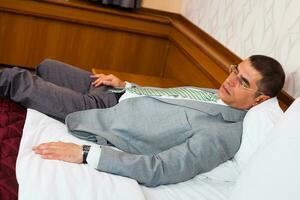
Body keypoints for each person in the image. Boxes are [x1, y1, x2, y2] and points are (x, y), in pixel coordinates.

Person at [0, 55, 285, 187]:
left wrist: (87, 154)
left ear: (260, 100)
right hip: (116, 94)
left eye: (243, 81)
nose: (231, 80)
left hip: (105, 116)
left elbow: (161, 169)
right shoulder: (217, 93)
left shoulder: (224, 133)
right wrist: (127, 84)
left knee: (17, 80)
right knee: (48, 66)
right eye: (235, 70)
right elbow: (167, 97)